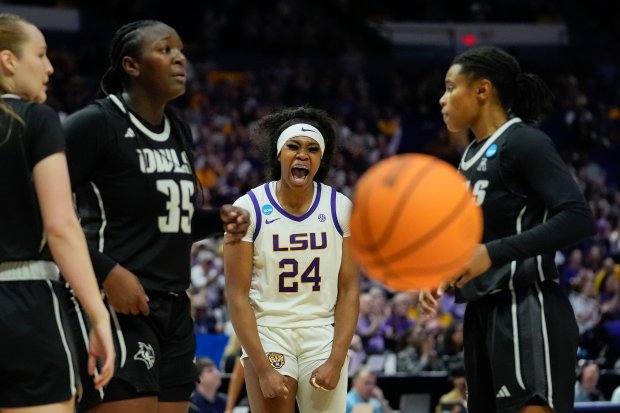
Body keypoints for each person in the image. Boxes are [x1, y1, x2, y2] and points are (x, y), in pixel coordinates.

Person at [62, 20, 249, 413]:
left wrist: (218, 219)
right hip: (114, 306)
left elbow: (169, 220)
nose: (180, 57)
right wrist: (106, 272)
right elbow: (42, 215)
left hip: (174, 310)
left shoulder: (178, 130)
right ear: (131, 65)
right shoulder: (95, 124)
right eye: (165, 50)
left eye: (180, 50)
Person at [420, 45, 597, 413]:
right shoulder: (467, 158)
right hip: (481, 314)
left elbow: (578, 216)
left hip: (525, 306)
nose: (442, 99)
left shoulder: (524, 141)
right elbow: (475, 242)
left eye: (451, 88)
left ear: (482, 91)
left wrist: (492, 253)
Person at [0, 12, 115, 412]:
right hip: (24, 302)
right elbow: (62, 227)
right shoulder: (36, 120)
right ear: (8, 61)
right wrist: (98, 316)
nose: (50, 67)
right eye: (41, 54)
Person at [224, 106, 360, 413]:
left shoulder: (341, 208)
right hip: (269, 330)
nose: (303, 155)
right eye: (293, 146)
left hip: (321, 331)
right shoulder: (248, 207)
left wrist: (337, 359)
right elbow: (236, 295)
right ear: (278, 154)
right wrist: (261, 367)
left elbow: (350, 290)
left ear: (320, 160)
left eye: (313, 149)